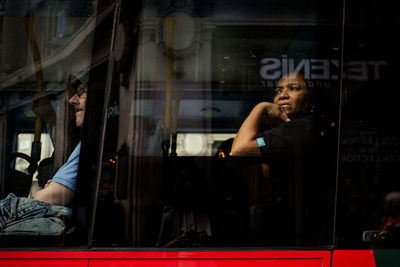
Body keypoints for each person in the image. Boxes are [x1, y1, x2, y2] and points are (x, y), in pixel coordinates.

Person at [0, 72, 88, 236]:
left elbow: (43, 199)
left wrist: (51, 190)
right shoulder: (79, 144)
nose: (72, 100)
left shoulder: (90, 143)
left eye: (82, 91)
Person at [230, 72, 314, 157]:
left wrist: (261, 107)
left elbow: (239, 149)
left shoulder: (299, 128)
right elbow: (262, 141)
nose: (282, 95)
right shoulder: (282, 132)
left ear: (309, 97)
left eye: (293, 88)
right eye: (278, 91)